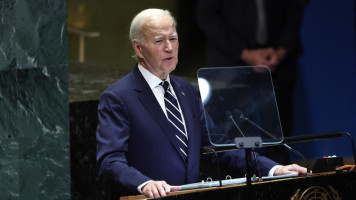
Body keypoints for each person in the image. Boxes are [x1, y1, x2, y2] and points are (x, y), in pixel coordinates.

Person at [96, 8, 307, 198]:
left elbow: (219, 146)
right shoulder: (118, 97)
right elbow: (110, 162)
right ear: (139, 48)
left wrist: (272, 169)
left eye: (174, 38)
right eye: (159, 41)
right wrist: (144, 184)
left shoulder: (187, 91)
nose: (169, 47)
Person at [196, 0, 305, 165]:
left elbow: (295, 10)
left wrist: (282, 50)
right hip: (229, 66)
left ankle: (279, 182)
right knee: (232, 140)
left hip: (278, 67)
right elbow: (207, 15)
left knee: (278, 139)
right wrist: (244, 53)